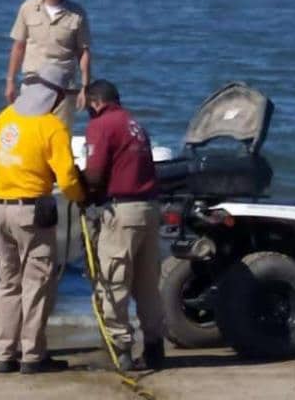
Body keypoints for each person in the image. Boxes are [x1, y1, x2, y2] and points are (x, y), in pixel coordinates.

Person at [0, 64, 86, 374]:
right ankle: (32, 354)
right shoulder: (51, 126)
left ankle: (4, 353)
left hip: (0, 209)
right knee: (37, 283)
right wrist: (80, 197)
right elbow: (68, 177)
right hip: (31, 212)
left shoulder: (4, 118)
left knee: (8, 282)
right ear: (56, 96)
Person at [82, 79, 165, 371]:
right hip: (150, 208)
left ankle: (122, 350)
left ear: (96, 102)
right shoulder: (134, 123)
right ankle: (155, 346)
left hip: (122, 211)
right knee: (147, 284)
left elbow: (94, 174)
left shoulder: (102, 125)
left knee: (113, 281)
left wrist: (80, 190)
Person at [5, 0, 92, 130]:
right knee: (31, 134)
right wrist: (10, 82)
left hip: (64, 88)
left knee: (60, 135)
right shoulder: (28, 8)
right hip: (33, 83)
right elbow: (18, 46)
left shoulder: (77, 13)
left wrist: (85, 87)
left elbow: (83, 52)